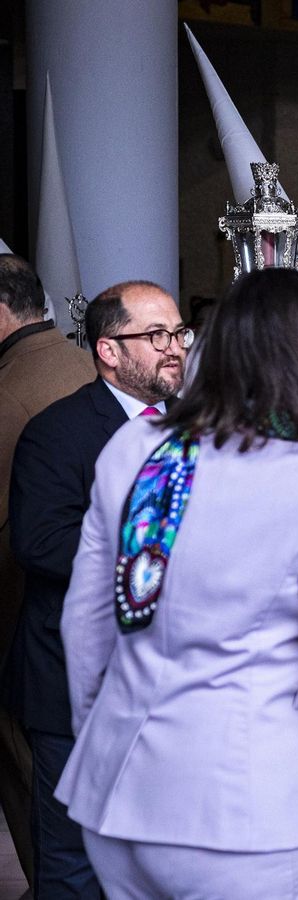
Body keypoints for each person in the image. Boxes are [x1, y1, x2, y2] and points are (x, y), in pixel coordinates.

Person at [54, 269, 298, 899]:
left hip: (114, 794)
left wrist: (105, 744)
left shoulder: (136, 446)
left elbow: (84, 626)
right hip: (236, 812)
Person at [6, 280, 189, 898]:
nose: (174, 349)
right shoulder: (59, 431)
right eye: (156, 335)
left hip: (174, 687)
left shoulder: (200, 429)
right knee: (76, 865)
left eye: (179, 333)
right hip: (75, 689)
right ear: (109, 351)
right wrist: (156, 568)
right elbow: (40, 542)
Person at [0, 255, 93, 888]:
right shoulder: (87, 363)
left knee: (32, 773)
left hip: (22, 617)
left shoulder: (11, 385)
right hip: (93, 618)